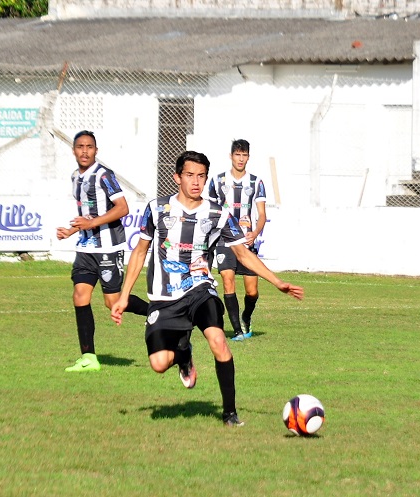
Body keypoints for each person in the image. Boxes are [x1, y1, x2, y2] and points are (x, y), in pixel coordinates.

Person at [111, 151, 304, 427]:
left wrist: (277, 282)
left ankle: (229, 414)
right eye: (189, 175)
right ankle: (184, 354)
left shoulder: (217, 214)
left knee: (218, 341)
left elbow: (244, 254)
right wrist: (124, 296)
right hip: (164, 298)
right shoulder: (156, 209)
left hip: (200, 290)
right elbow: (140, 252)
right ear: (177, 177)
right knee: (158, 364)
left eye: (201, 176)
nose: (196, 182)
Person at [56, 130, 149, 372]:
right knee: (80, 296)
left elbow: (123, 208)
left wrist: (91, 224)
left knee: (114, 302)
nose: (84, 151)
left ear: (96, 150)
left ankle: (158, 311)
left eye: (89, 147)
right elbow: (88, 215)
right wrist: (71, 231)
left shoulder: (104, 176)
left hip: (108, 248)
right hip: (86, 248)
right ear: (74, 150)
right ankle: (89, 358)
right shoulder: (75, 177)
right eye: (80, 146)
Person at [206, 139, 268, 341]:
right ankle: (238, 331)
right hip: (225, 240)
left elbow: (262, 214)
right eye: (237, 155)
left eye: (244, 155)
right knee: (227, 281)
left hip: (247, 241)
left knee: (252, 291)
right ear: (231, 156)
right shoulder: (218, 181)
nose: (240, 159)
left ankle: (246, 317)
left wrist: (255, 233)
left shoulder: (256, 182)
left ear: (248, 157)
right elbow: (210, 210)